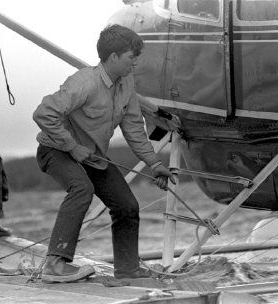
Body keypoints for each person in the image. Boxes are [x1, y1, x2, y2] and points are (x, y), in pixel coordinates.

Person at [33, 24, 176, 283]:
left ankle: (128, 269)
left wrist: (155, 164)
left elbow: (133, 128)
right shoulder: (83, 82)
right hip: (55, 150)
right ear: (113, 57)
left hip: (93, 157)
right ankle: (54, 265)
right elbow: (43, 114)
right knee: (81, 189)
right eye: (132, 57)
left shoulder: (126, 83)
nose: (135, 64)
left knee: (127, 205)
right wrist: (72, 147)